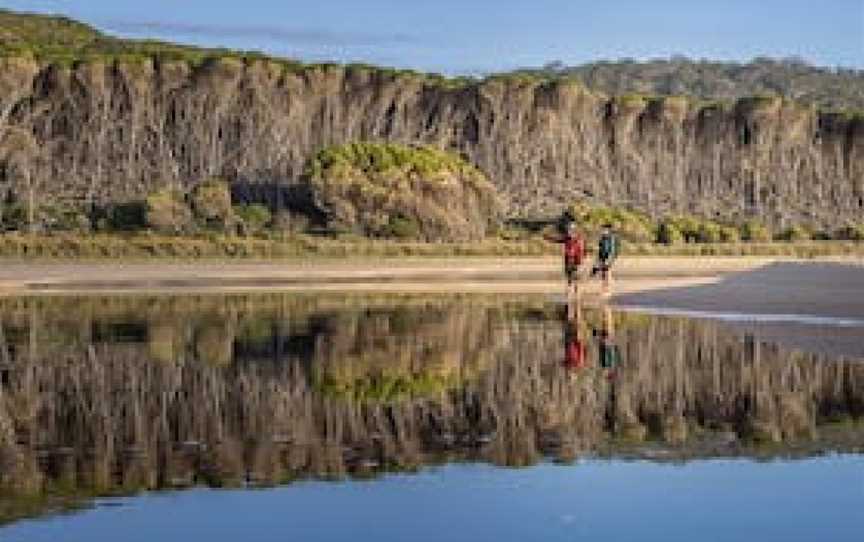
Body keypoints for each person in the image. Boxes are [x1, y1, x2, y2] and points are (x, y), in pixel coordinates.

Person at [546, 212, 586, 299]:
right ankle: (568, 294)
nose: (569, 232)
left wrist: (579, 262)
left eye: (571, 230)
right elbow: (558, 240)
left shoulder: (578, 239)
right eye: (568, 230)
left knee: (575, 278)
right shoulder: (567, 238)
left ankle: (577, 295)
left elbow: (581, 251)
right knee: (569, 278)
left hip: (575, 260)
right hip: (568, 259)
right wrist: (549, 238)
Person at [592, 223, 619, 294]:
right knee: (603, 273)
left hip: (609, 257)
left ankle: (608, 289)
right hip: (602, 256)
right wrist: (597, 258)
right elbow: (600, 249)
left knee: (607, 272)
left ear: (609, 230)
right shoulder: (602, 238)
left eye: (605, 229)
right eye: (603, 229)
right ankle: (604, 288)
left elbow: (612, 250)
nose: (603, 231)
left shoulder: (611, 238)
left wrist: (609, 259)